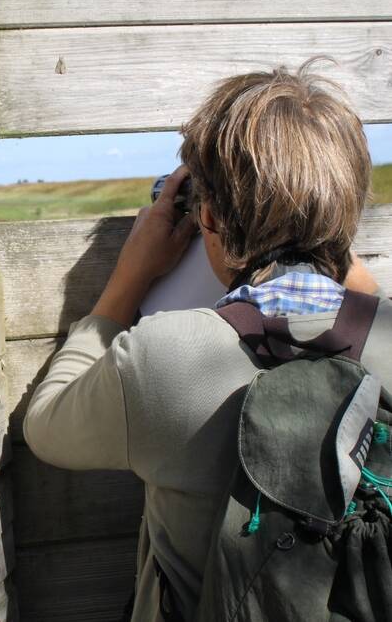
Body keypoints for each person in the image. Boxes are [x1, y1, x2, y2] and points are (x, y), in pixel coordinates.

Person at [22, 59, 392, 621]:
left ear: (210, 218)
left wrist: (127, 281)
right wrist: (335, 256)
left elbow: (45, 427)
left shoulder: (162, 359)